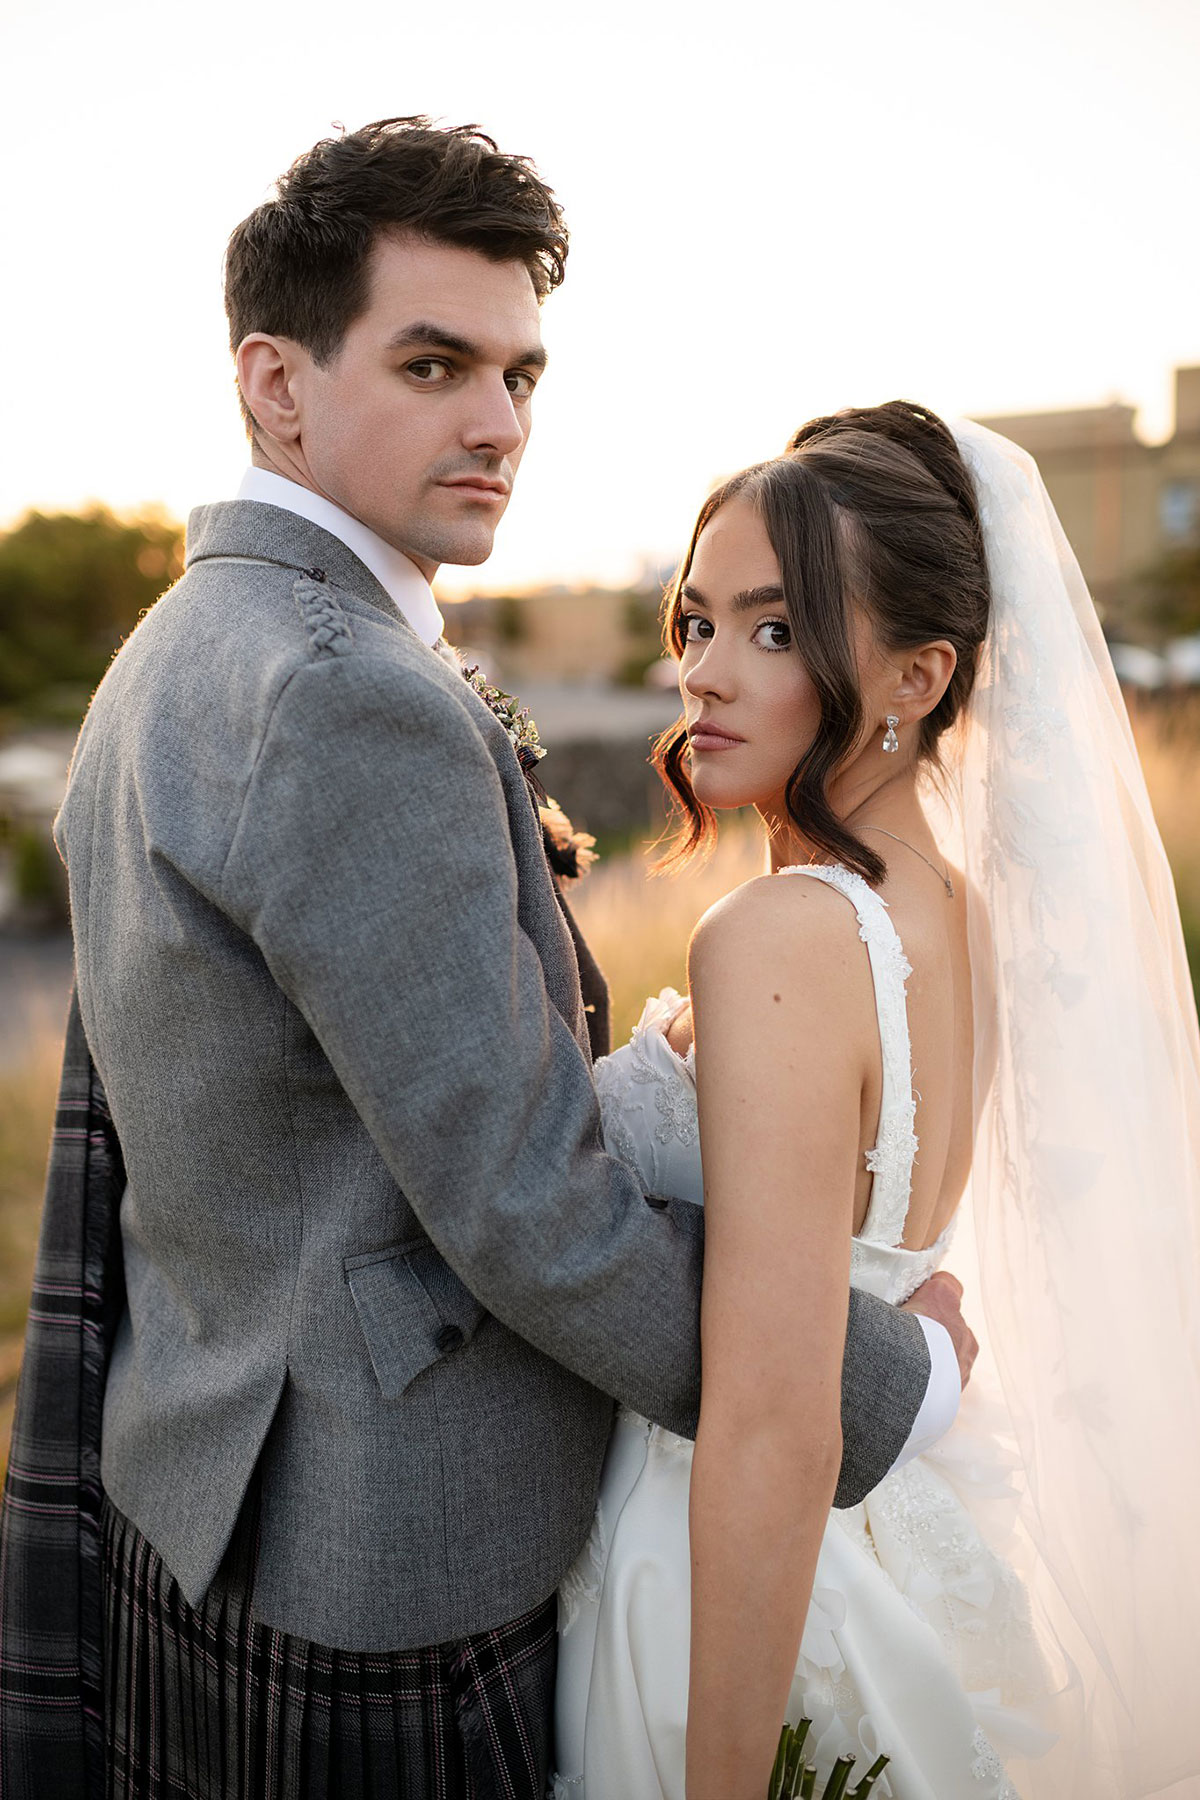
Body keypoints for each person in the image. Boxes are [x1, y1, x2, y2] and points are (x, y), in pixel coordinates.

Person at [0, 125, 971, 1799]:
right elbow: (525, 1205)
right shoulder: (346, 692)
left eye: (522, 373)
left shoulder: (179, 641)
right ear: (276, 384)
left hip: (203, 1481)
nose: (500, 422)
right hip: (389, 1547)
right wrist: (905, 1380)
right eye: (436, 363)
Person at [554, 403, 1200, 1800]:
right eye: (698, 622)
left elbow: (778, 1420)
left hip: (741, 1572)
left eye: (776, 631)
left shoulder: (782, 936)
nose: (707, 676)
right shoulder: (962, 915)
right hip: (911, 1519)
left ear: (918, 676)